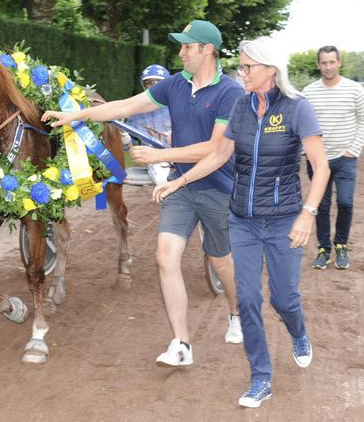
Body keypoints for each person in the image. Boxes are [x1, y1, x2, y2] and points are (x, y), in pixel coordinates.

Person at [43, 19, 245, 367]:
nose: (180, 52)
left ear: (207, 50)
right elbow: (124, 107)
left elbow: (213, 149)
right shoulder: (174, 85)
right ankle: (181, 343)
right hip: (179, 186)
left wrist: (160, 155)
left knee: (220, 261)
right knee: (165, 257)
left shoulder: (231, 93)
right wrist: (76, 114)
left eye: (187, 46)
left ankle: (237, 311)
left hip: (217, 187)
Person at [153, 36, 330, 408]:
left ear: (270, 70)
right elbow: (219, 155)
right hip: (243, 222)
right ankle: (260, 377)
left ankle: (298, 331)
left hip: (284, 222)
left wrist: (307, 214)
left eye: (248, 67)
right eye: (241, 67)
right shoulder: (241, 107)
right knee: (248, 300)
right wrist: (179, 181)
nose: (241, 73)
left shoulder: (298, 108)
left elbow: (321, 167)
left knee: (284, 298)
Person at [303, 46, 364, 270]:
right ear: (318, 65)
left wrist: (353, 149)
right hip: (318, 160)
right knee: (320, 205)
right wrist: (306, 149)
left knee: (345, 201)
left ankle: (341, 244)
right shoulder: (309, 92)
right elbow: (302, 125)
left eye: (332, 62)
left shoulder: (354, 90)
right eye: (324, 63)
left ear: (339, 63)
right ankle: (323, 249)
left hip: (345, 158)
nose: (328, 67)